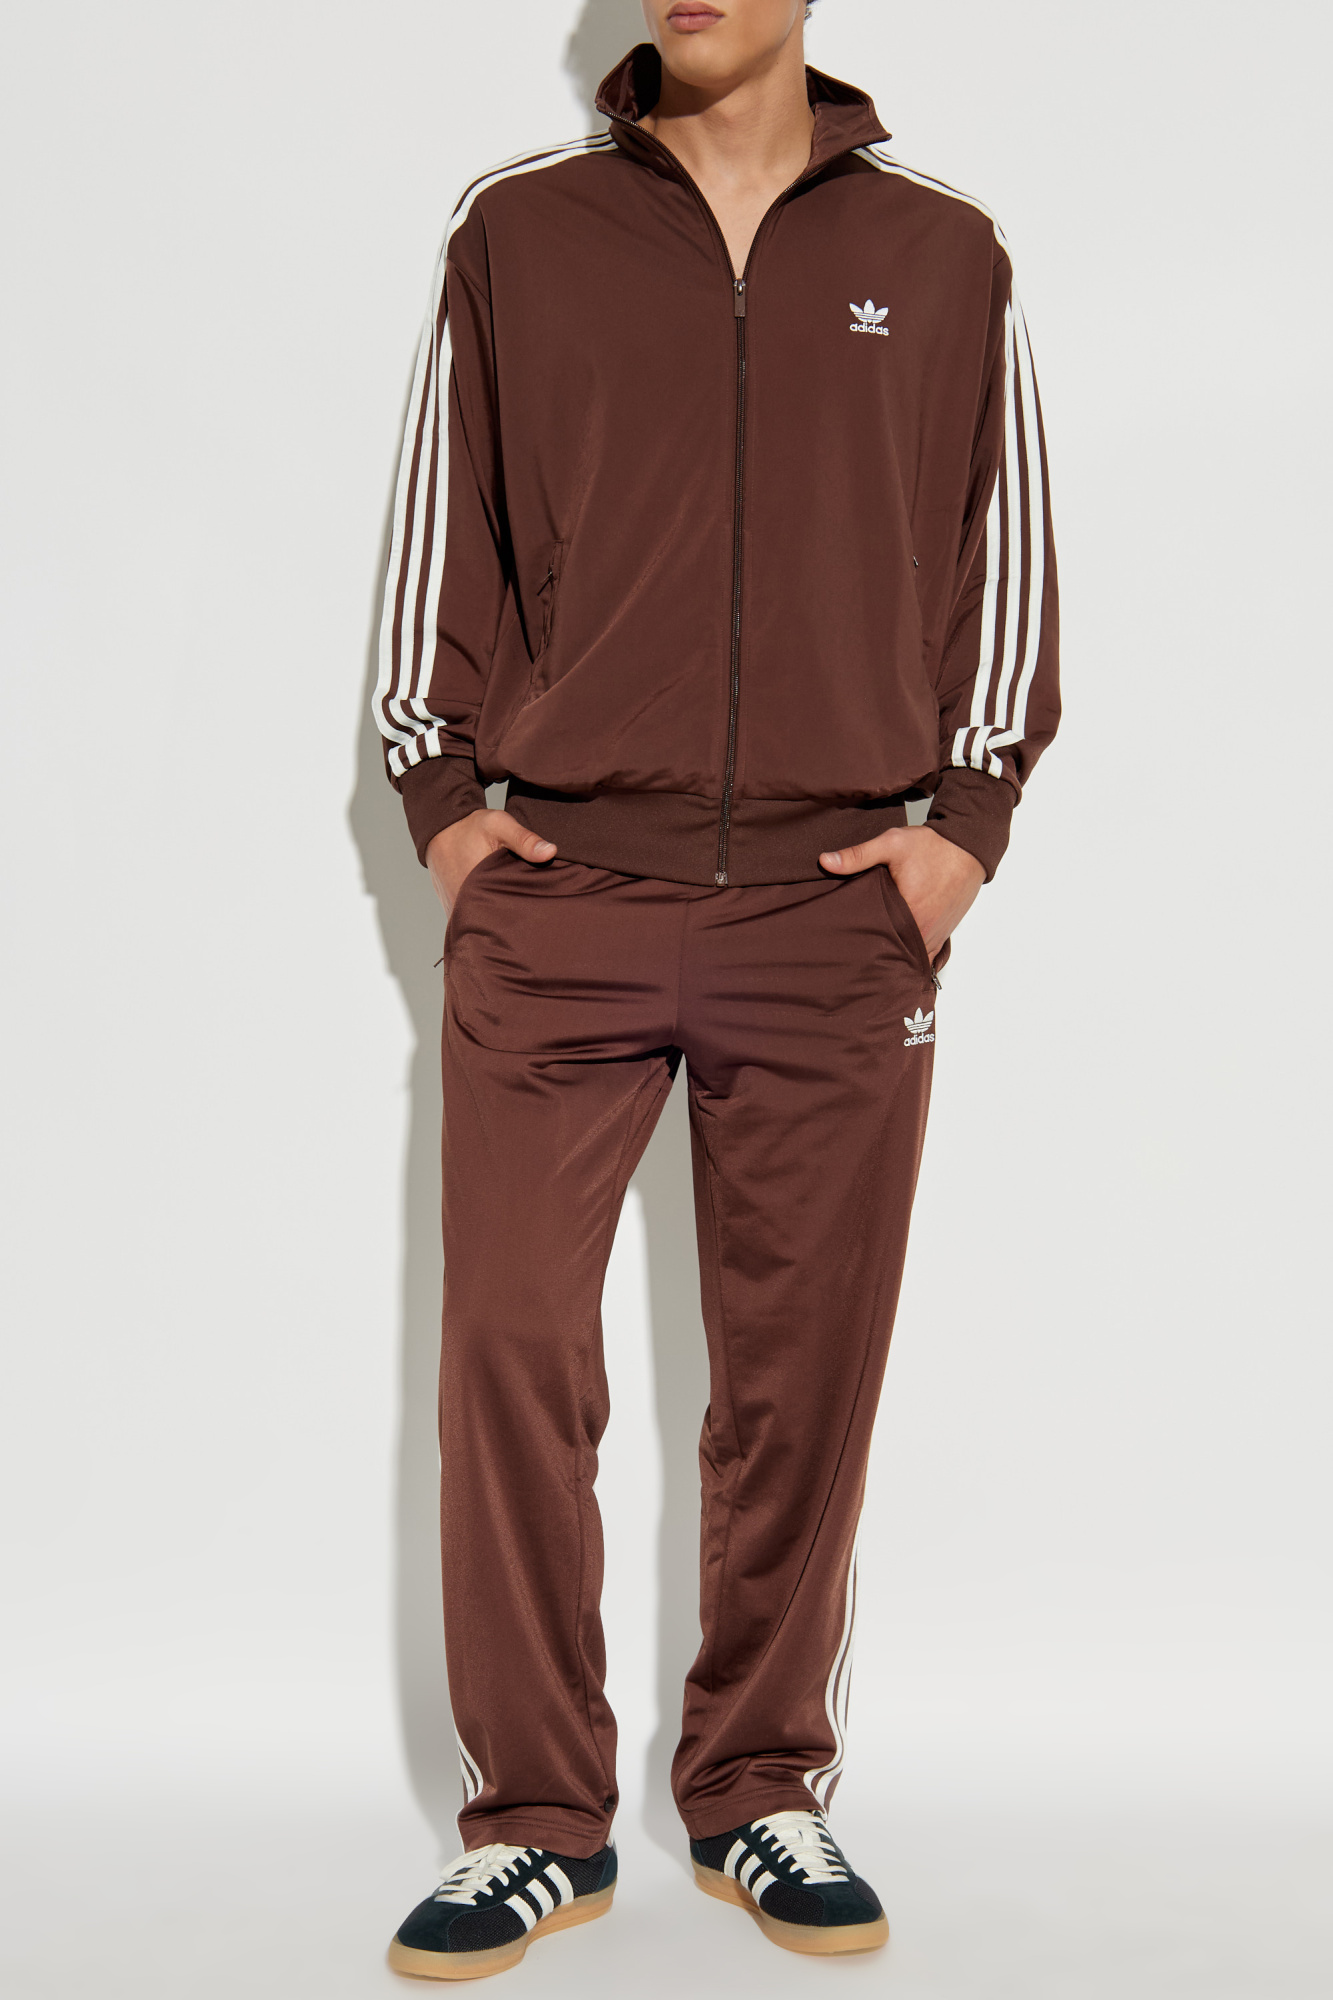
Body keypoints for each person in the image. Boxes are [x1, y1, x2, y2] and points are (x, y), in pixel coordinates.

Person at [374, 0, 1059, 1977]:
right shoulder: (520, 228)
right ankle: (535, 1820)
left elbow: (1004, 549)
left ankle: (758, 1784)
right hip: (562, 893)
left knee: (798, 1381)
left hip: (835, 910)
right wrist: (442, 805)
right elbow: (441, 532)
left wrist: (962, 826)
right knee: (513, 1354)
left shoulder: (941, 249)